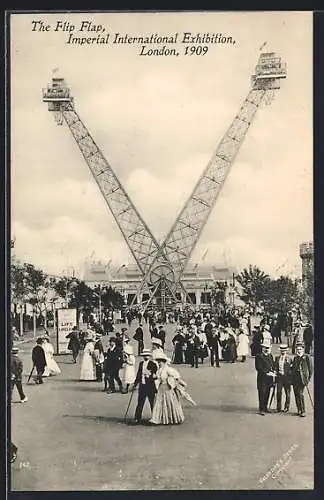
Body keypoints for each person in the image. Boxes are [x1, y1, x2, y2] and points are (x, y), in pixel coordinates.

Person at [149, 352, 189, 425]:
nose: (159, 363)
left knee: (169, 402)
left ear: (164, 361)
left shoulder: (168, 369)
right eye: (158, 361)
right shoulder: (159, 370)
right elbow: (157, 378)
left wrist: (180, 383)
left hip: (168, 388)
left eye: (160, 361)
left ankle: (173, 418)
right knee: (160, 403)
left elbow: (176, 377)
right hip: (161, 388)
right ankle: (159, 419)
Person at [133, 349, 158, 423]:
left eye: (147, 355)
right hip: (142, 386)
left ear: (149, 356)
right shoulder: (141, 363)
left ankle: (155, 417)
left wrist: (150, 374)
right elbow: (138, 374)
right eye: (144, 355)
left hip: (150, 386)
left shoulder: (153, 364)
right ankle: (137, 418)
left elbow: (156, 375)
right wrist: (135, 383)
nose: (146, 357)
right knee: (140, 402)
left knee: (152, 403)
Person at [291, 342, 313, 417]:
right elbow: (293, 368)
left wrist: (308, 378)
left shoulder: (307, 357)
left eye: (300, 349)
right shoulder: (295, 357)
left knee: (300, 394)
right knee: (296, 394)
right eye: (297, 349)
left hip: (302, 379)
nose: (299, 350)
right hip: (295, 379)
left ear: (303, 349)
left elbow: (310, 369)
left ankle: (302, 410)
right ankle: (299, 409)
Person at [255, 344, 276, 415]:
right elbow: (258, 367)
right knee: (262, 393)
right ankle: (261, 409)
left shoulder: (270, 356)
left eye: (268, 348)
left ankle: (265, 407)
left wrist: (273, 371)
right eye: (265, 348)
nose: (267, 349)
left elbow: (272, 365)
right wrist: (267, 373)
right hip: (262, 378)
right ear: (262, 348)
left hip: (269, 379)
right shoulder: (259, 356)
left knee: (267, 392)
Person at [274, 344, 292, 413]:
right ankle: (278, 407)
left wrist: (289, 374)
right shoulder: (277, 358)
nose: (283, 352)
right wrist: (276, 372)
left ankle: (286, 407)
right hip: (279, 378)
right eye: (282, 351)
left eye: (284, 351)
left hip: (287, 379)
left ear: (286, 351)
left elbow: (292, 369)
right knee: (278, 392)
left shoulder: (289, 359)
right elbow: (275, 366)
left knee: (287, 393)